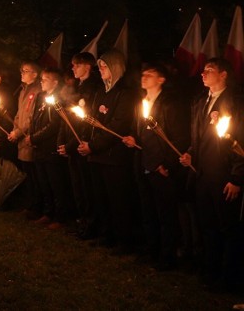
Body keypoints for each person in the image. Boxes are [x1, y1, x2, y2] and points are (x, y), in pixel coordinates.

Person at [180, 57, 244, 290]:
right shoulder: (200, 101)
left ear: (224, 74)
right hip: (202, 174)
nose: (203, 74)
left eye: (209, 70)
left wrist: (237, 178)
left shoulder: (236, 103)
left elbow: (240, 141)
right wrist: (190, 154)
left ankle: (230, 276)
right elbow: (196, 137)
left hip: (224, 175)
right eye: (203, 71)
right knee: (207, 225)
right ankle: (211, 269)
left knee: (228, 227)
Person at [123, 63, 190, 271]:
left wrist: (166, 164)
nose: (144, 77)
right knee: (148, 210)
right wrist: (133, 138)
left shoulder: (170, 104)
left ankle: (167, 256)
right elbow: (139, 130)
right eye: (143, 74)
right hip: (143, 162)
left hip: (160, 166)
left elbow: (178, 138)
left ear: (161, 80)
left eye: (150, 74)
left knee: (165, 214)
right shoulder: (141, 102)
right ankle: (151, 250)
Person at [77, 48, 139, 253]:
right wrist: (86, 142)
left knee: (118, 200)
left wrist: (93, 146)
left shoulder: (125, 93)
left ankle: (125, 240)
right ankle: (107, 234)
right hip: (98, 156)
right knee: (101, 198)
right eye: (100, 65)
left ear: (116, 67)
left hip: (114, 157)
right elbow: (93, 120)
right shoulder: (101, 91)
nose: (101, 69)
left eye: (105, 65)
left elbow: (118, 125)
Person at [57, 52, 103, 239]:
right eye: (73, 65)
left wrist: (71, 144)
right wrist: (62, 141)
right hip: (72, 142)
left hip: (81, 142)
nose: (73, 68)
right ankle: (82, 221)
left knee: (86, 187)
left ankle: (91, 225)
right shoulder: (76, 87)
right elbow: (67, 117)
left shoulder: (93, 89)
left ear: (88, 67)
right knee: (77, 187)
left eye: (77, 64)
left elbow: (84, 121)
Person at [31, 67, 71, 229]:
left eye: (45, 79)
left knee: (56, 184)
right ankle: (47, 212)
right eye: (41, 78)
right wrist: (31, 135)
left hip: (50, 147)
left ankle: (60, 216)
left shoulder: (59, 100)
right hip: (39, 147)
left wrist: (35, 137)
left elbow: (54, 125)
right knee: (44, 182)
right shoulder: (41, 97)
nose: (41, 81)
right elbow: (35, 119)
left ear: (55, 82)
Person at [8, 62, 42, 218]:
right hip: (20, 137)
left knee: (33, 175)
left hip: (28, 139)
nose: (22, 73)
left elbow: (31, 118)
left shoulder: (37, 91)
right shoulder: (22, 91)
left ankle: (35, 206)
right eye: (21, 70)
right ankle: (29, 204)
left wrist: (19, 133)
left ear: (35, 74)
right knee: (26, 173)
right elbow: (19, 114)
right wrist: (14, 129)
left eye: (26, 71)